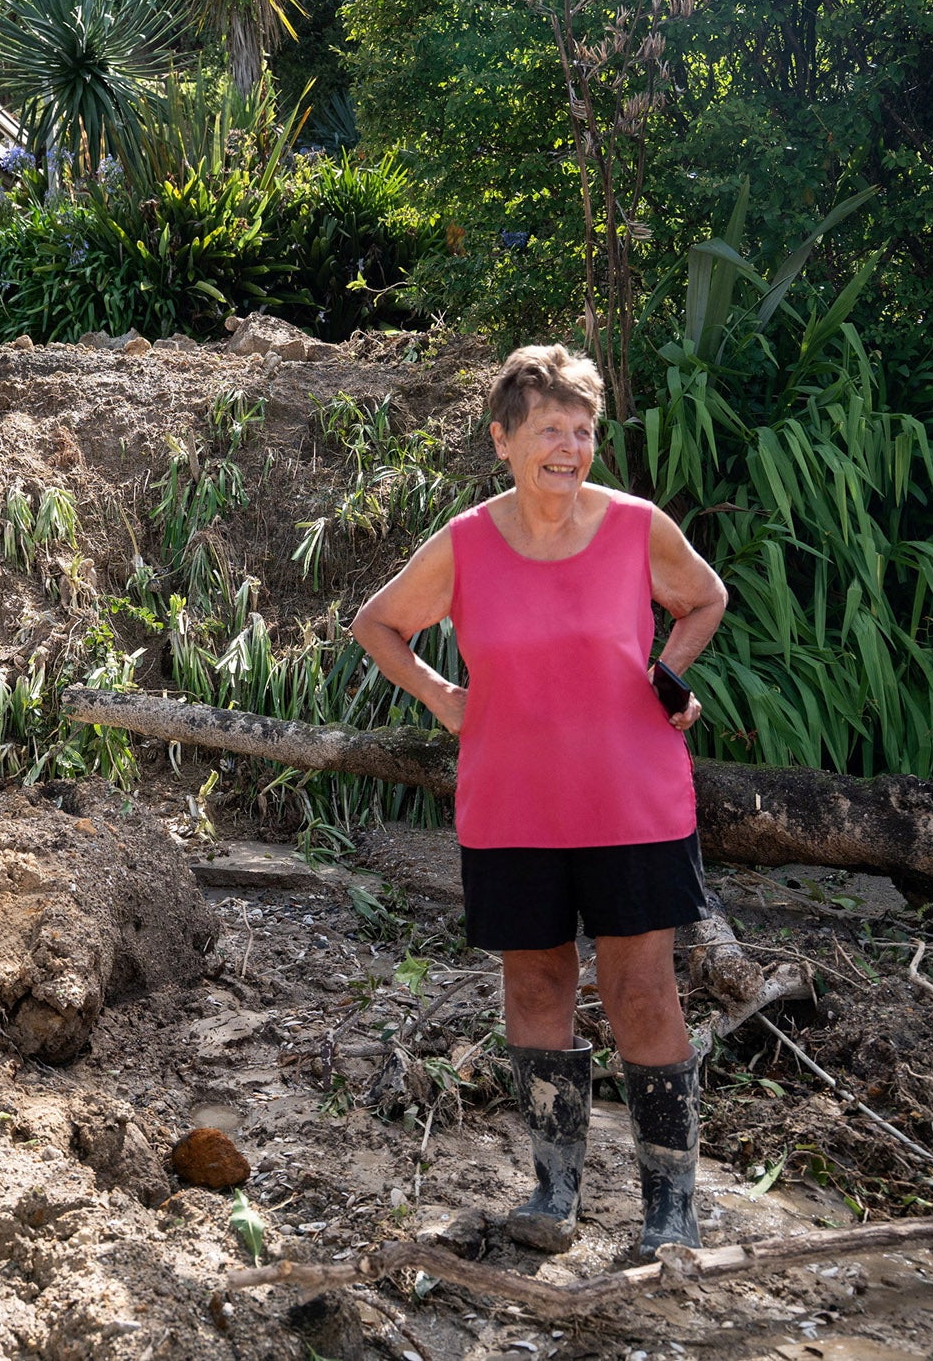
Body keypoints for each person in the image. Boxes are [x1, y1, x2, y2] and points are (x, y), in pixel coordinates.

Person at [351, 344, 728, 1257]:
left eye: (583, 429)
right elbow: (378, 623)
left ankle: (669, 1212)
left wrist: (666, 673)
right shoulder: (467, 543)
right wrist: (443, 696)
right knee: (536, 981)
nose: (569, 446)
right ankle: (555, 1194)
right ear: (504, 440)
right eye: (549, 429)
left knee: (641, 989)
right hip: (514, 804)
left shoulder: (638, 527)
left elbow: (704, 599)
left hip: (632, 802)